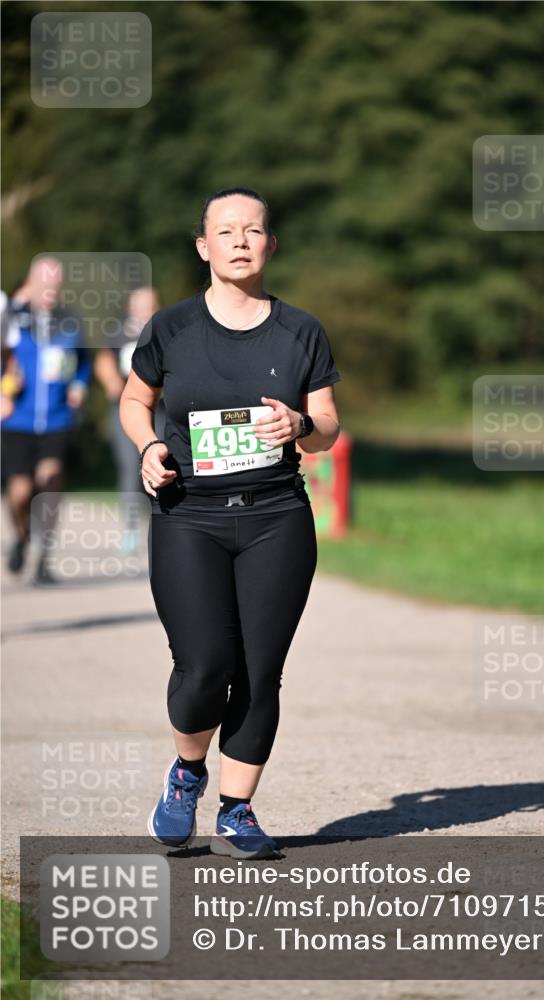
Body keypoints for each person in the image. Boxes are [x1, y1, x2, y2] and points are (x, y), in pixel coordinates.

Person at [119, 187, 342, 858]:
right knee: (202, 667)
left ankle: (237, 809)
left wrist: (302, 425)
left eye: (253, 230)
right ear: (203, 246)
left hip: (276, 517)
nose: (240, 240)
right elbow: (136, 400)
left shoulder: (300, 330)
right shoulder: (171, 328)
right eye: (226, 230)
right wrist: (150, 447)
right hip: (189, 516)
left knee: (259, 670)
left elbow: (328, 426)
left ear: (270, 244)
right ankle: (187, 771)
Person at [1, 257, 91, 584]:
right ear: (30, 282)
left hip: (56, 419)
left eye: (56, 286)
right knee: (20, 492)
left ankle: (44, 556)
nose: (51, 292)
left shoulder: (69, 322)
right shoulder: (11, 318)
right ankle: (22, 536)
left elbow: (82, 362)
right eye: (45, 284)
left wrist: (80, 386)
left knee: (50, 480)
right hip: (17, 420)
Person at [94, 286, 163, 554]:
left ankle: (162, 523)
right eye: (140, 304)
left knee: (163, 462)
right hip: (126, 407)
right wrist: (112, 382)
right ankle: (130, 528)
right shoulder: (119, 333)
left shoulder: (163, 331)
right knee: (129, 467)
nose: (145, 309)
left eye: (150, 304)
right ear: (130, 306)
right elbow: (103, 360)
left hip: (162, 410)